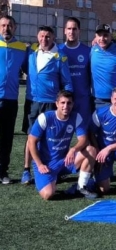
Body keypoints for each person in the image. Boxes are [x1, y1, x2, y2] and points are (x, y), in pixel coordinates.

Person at [22, 25, 73, 184]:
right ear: (38, 37)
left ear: (53, 38)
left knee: (51, 138)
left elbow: (67, 82)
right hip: (32, 101)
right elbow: (25, 69)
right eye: (42, 36)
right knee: (31, 136)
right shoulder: (31, 54)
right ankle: (26, 170)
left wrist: (68, 103)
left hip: (51, 103)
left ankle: (54, 169)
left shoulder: (60, 57)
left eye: (48, 36)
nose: (44, 39)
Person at [27, 90, 97, 200]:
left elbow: (84, 140)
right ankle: (51, 179)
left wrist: (73, 149)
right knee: (48, 194)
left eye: (69, 103)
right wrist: (40, 164)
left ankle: (81, 186)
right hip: (46, 164)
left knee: (91, 150)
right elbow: (31, 142)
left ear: (73, 104)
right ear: (57, 104)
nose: (66, 106)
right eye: (63, 103)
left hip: (64, 161)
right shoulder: (45, 118)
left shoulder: (76, 117)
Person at [0, 15, 27, 184]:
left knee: (7, 137)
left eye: (9, 25)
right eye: (3, 25)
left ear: (15, 28)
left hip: (11, 99)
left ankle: (3, 171)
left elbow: (29, 68)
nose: (6, 28)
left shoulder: (21, 48)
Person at [58, 17, 91, 124]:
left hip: (82, 99)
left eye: (74, 29)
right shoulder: (58, 50)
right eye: (69, 28)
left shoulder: (87, 51)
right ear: (65, 31)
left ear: (79, 31)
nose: (71, 31)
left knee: (85, 132)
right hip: (64, 101)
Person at [90, 24, 116, 109]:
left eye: (105, 35)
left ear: (111, 36)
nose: (102, 39)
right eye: (99, 35)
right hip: (95, 99)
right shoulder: (93, 50)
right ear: (95, 37)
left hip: (115, 101)